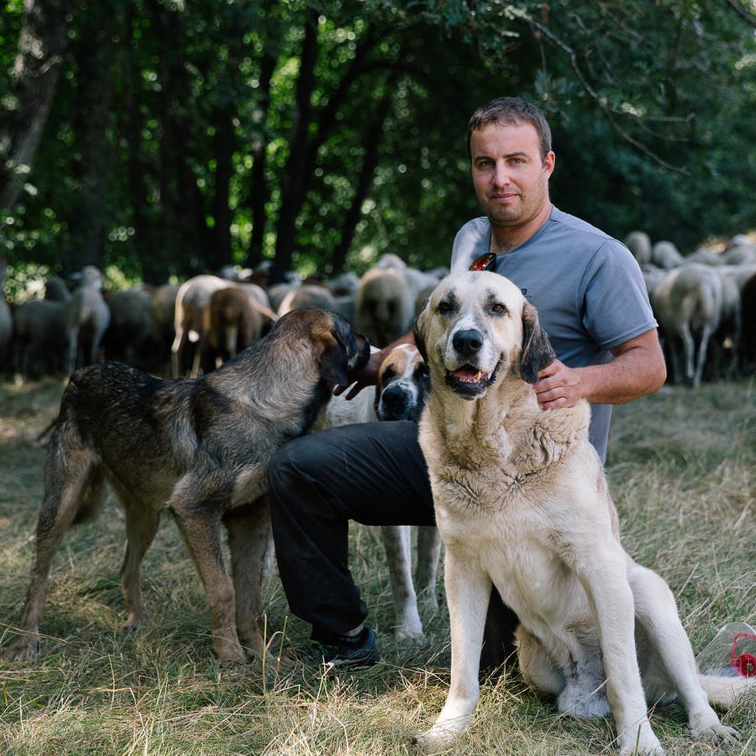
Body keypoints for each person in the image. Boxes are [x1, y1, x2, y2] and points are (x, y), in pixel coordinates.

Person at [268, 96, 665, 667]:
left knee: (507, 668)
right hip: (449, 455)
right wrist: (372, 361)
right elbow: (428, 336)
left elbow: (649, 364)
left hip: (536, 481)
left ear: (547, 165)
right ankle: (343, 637)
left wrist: (579, 382)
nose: (500, 178)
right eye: (485, 164)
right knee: (300, 468)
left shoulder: (597, 256)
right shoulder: (471, 248)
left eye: (516, 161)